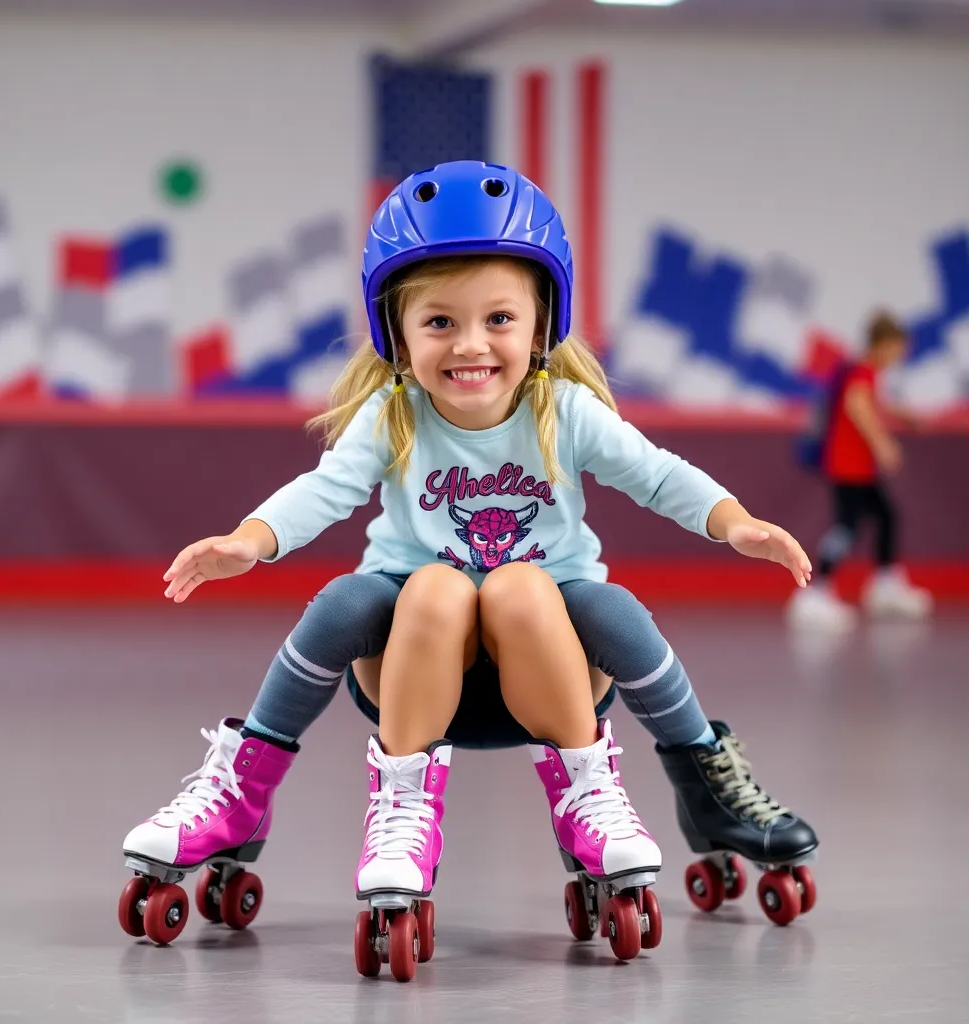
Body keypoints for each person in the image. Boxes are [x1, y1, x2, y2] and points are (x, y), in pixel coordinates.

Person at [119, 162, 819, 958]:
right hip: (418, 674)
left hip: (546, 663)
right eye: (440, 324)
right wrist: (249, 540)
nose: (471, 344)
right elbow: (326, 490)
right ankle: (254, 795)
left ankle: (689, 787)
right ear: (398, 334)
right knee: (385, 594)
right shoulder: (395, 414)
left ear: (540, 322)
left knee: (573, 597)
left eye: (498, 318)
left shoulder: (566, 410)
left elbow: (658, 474)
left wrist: (737, 525)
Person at [788, 311, 932, 630]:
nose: (899, 356)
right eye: (896, 349)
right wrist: (883, 443)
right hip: (848, 466)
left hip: (858, 468)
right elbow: (857, 405)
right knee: (846, 529)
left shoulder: (862, 372)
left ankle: (885, 584)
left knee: (886, 516)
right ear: (882, 345)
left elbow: (869, 402)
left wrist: (901, 415)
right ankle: (815, 591)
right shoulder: (863, 372)